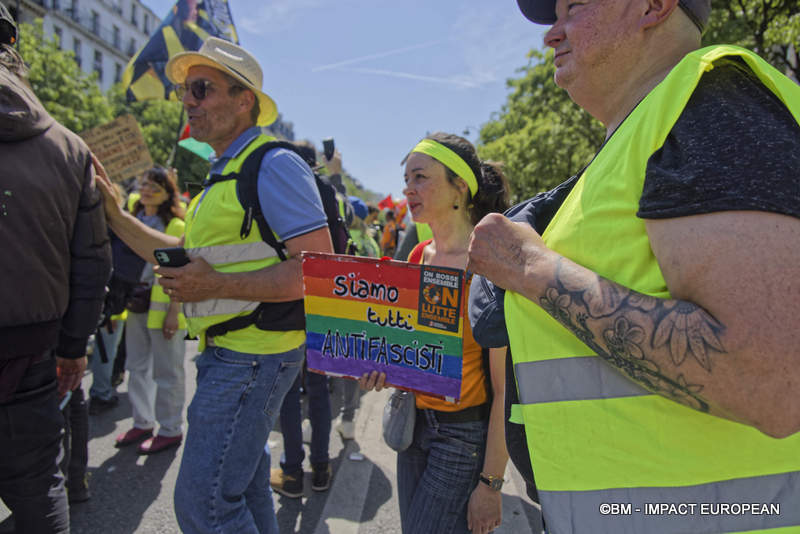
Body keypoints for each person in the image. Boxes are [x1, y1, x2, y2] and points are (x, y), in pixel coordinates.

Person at [467, 0, 800, 532]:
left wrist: (529, 268)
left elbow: (771, 380)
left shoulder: (710, 102)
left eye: (574, 7)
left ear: (652, 6)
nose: (552, 33)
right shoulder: (643, 136)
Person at [94, 36, 333, 533]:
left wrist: (213, 285)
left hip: (252, 357)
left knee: (204, 507)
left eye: (201, 89)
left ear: (244, 100)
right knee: (243, 492)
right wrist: (115, 216)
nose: (187, 101)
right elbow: (181, 258)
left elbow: (318, 271)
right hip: (234, 355)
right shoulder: (226, 169)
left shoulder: (273, 163)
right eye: (185, 89)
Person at [361, 132, 511, 534]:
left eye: (420, 178)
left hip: (462, 437)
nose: (408, 190)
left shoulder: (489, 266)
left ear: (459, 185)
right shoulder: (416, 256)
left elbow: (504, 389)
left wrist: (491, 485)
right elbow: (410, 345)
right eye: (406, 180)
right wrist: (382, 366)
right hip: (414, 426)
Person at [0, 11, 112, 533]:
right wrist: (72, 345)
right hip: (34, 352)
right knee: (38, 486)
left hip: (37, 350)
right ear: (17, 43)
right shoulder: (68, 148)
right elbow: (91, 260)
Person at [113, 167, 187, 454]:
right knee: (136, 367)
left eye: (155, 185)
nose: (146, 189)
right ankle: (142, 421)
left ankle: (170, 428)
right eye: (143, 183)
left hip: (164, 309)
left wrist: (173, 311)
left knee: (168, 372)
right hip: (134, 305)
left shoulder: (176, 227)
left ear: (168, 193)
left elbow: (179, 272)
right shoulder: (130, 220)